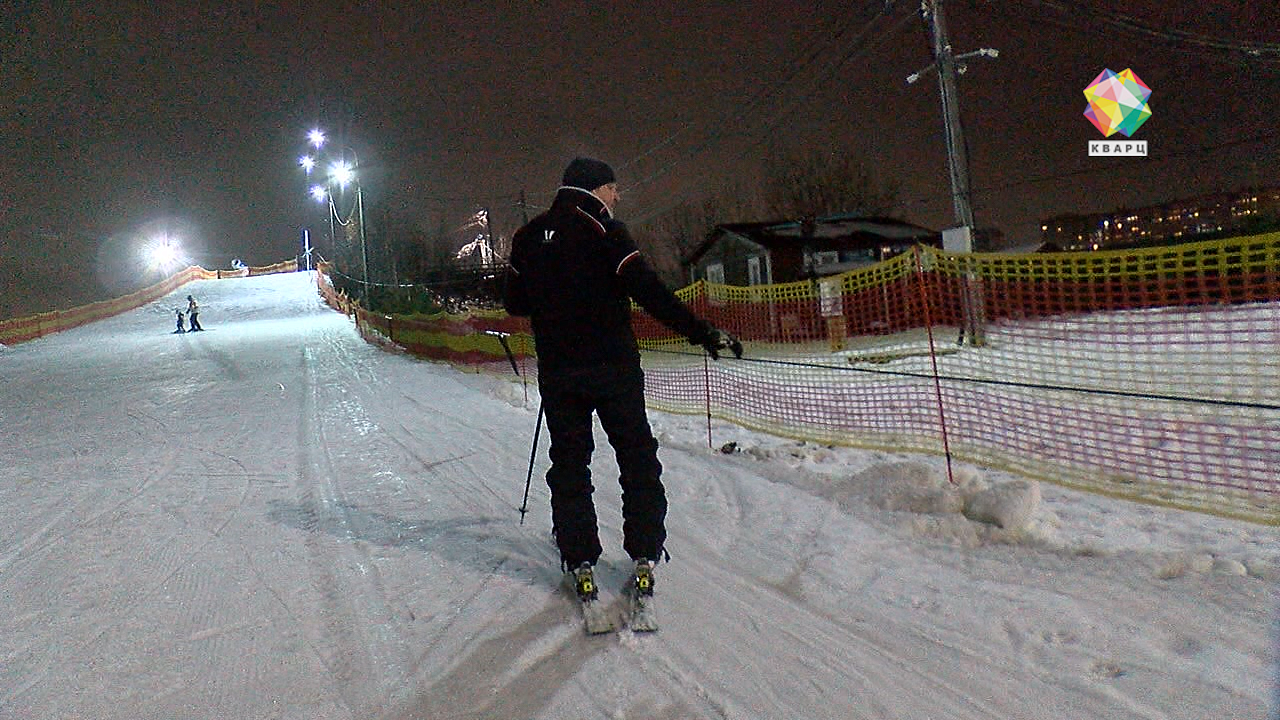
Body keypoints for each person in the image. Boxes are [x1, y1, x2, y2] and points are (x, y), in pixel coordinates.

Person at [503, 157, 742, 602]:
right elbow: (650, 292)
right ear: (597, 189)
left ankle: (579, 557)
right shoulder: (608, 233)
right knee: (636, 457)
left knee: (571, 463)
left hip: (559, 371)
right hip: (613, 367)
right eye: (613, 190)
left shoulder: (528, 235)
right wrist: (702, 332)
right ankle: (644, 551)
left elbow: (515, 302)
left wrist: (553, 300)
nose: (616, 198)